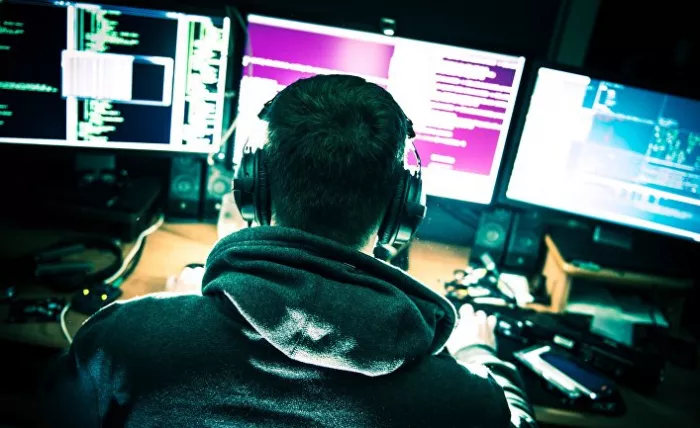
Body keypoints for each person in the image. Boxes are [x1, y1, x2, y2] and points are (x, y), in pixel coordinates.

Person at [41, 74, 536, 427]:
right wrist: (480, 355)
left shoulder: (122, 342)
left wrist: (177, 315)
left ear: (253, 191)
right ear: (401, 212)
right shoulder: (465, 405)